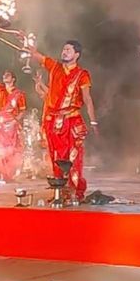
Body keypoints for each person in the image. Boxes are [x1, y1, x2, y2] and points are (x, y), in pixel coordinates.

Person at [28, 40, 98, 201]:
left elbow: (87, 98)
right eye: (63, 49)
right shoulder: (54, 67)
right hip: (53, 122)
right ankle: (60, 192)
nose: (64, 52)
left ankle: (76, 192)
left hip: (71, 120)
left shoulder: (82, 74)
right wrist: (30, 47)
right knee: (55, 157)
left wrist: (93, 121)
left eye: (68, 49)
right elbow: (38, 57)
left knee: (74, 158)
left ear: (76, 55)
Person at [0, 68, 27, 182]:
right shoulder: (0, 89)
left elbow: (23, 111)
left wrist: (15, 121)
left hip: (11, 126)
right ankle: (0, 174)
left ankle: (10, 174)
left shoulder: (19, 94)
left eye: (8, 75)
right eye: (4, 75)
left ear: (13, 79)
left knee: (11, 150)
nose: (5, 76)